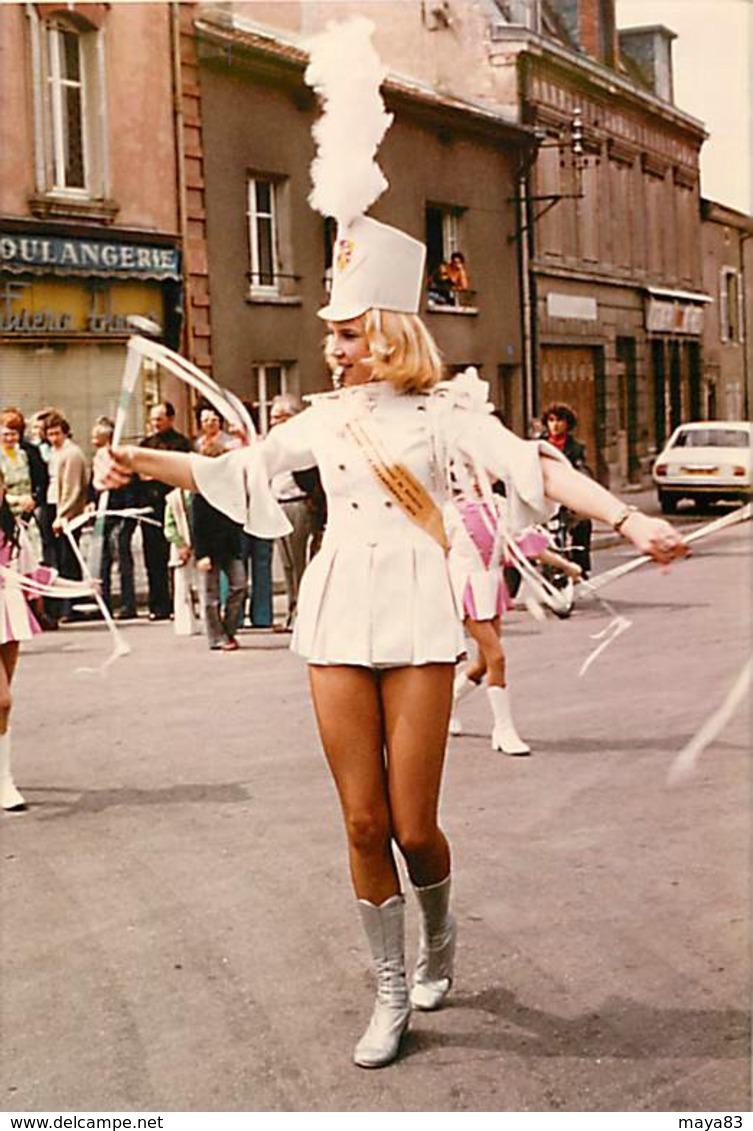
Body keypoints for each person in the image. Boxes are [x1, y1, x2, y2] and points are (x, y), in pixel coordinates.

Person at [95, 213, 686, 1070]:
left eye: (345, 334)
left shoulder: (449, 411)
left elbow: (539, 470)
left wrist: (628, 517)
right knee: (363, 821)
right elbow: (237, 472)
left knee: (414, 827)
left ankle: (438, 934)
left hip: (415, 604)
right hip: (337, 604)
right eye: (329, 333)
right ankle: (388, 986)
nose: (330, 348)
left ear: (386, 334)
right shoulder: (326, 418)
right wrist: (143, 460)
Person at [138, 402, 192, 621]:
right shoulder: (146, 444)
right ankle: (158, 604)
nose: (155, 424)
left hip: (172, 504)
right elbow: (138, 472)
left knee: (176, 554)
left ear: (170, 419)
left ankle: (178, 602)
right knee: (153, 557)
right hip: (150, 507)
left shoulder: (180, 444)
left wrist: (159, 474)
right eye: (153, 419)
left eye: (159, 419)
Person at [191, 441, 246, 652]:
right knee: (210, 596)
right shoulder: (200, 491)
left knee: (239, 586)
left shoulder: (231, 487)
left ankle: (228, 629)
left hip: (230, 547)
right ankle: (216, 636)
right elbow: (197, 525)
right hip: (209, 549)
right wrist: (201, 553)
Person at [269, 394, 315, 630]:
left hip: (297, 503)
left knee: (299, 562)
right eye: (272, 417)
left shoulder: (302, 444)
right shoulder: (275, 444)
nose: (273, 422)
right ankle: (291, 609)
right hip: (277, 504)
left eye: (279, 417)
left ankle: (302, 612)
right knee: (286, 564)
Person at [89, 417, 138, 620]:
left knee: (122, 558)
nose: (92, 439)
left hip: (121, 513)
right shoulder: (97, 457)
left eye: (96, 436)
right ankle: (104, 603)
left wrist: (127, 511)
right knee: (103, 561)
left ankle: (128, 603)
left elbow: (129, 486)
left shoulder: (119, 457)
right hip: (103, 513)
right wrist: (91, 500)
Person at [541, 403, 593, 576]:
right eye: (551, 420)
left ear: (567, 424)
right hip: (542, 496)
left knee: (583, 524)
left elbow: (582, 470)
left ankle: (581, 566)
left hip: (566, 496)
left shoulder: (576, 448)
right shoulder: (538, 445)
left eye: (559, 421)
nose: (555, 425)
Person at [46, 412, 88, 622]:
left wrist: (62, 515)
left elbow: (72, 488)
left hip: (66, 512)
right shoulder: (55, 453)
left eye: (57, 433)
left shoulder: (71, 454)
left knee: (67, 558)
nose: (54, 438)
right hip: (53, 505)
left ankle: (70, 606)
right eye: (50, 434)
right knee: (59, 559)